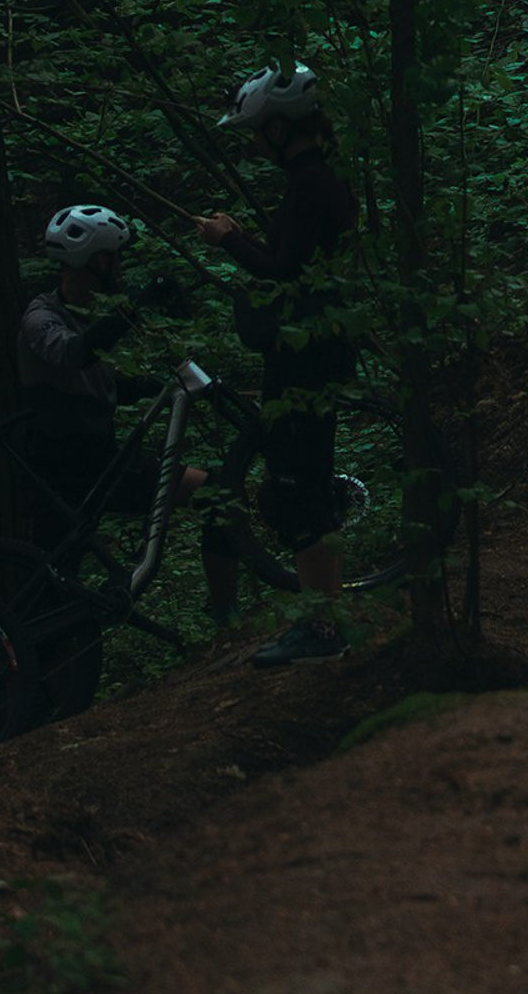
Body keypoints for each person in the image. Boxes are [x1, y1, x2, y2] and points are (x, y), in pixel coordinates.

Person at [196, 63, 360, 669]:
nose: (254, 146)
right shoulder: (320, 179)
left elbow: (283, 271)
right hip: (314, 348)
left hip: (305, 356)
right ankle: (325, 620)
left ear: (278, 128)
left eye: (256, 133)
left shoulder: (311, 182)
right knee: (300, 484)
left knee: (296, 489)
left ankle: (322, 628)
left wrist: (228, 242)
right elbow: (295, 260)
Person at [17, 205, 209, 556]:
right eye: (115, 258)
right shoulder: (41, 317)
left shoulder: (90, 316)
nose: (119, 267)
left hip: (100, 463)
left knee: (211, 493)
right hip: (63, 474)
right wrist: (136, 304)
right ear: (98, 261)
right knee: (53, 574)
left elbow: (97, 384)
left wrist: (155, 385)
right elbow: (76, 355)